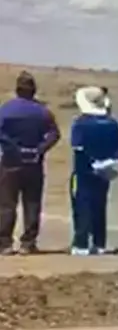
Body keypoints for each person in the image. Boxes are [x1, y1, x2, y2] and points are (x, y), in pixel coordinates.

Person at [0, 72, 60, 255]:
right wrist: (39, 149)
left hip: (10, 162)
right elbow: (54, 134)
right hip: (34, 163)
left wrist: (12, 148)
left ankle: (4, 243)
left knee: (7, 203)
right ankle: (28, 243)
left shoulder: (6, 110)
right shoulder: (42, 112)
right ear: (33, 90)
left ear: (17, 90)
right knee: (32, 203)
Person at [68, 86, 118, 256]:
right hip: (104, 172)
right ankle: (99, 243)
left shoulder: (81, 123)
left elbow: (78, 148)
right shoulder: (112, 123)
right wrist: (106, 162)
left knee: (82, 205)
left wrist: (91, 162)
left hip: (83, 170)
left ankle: (81, 243)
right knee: (100, 205)